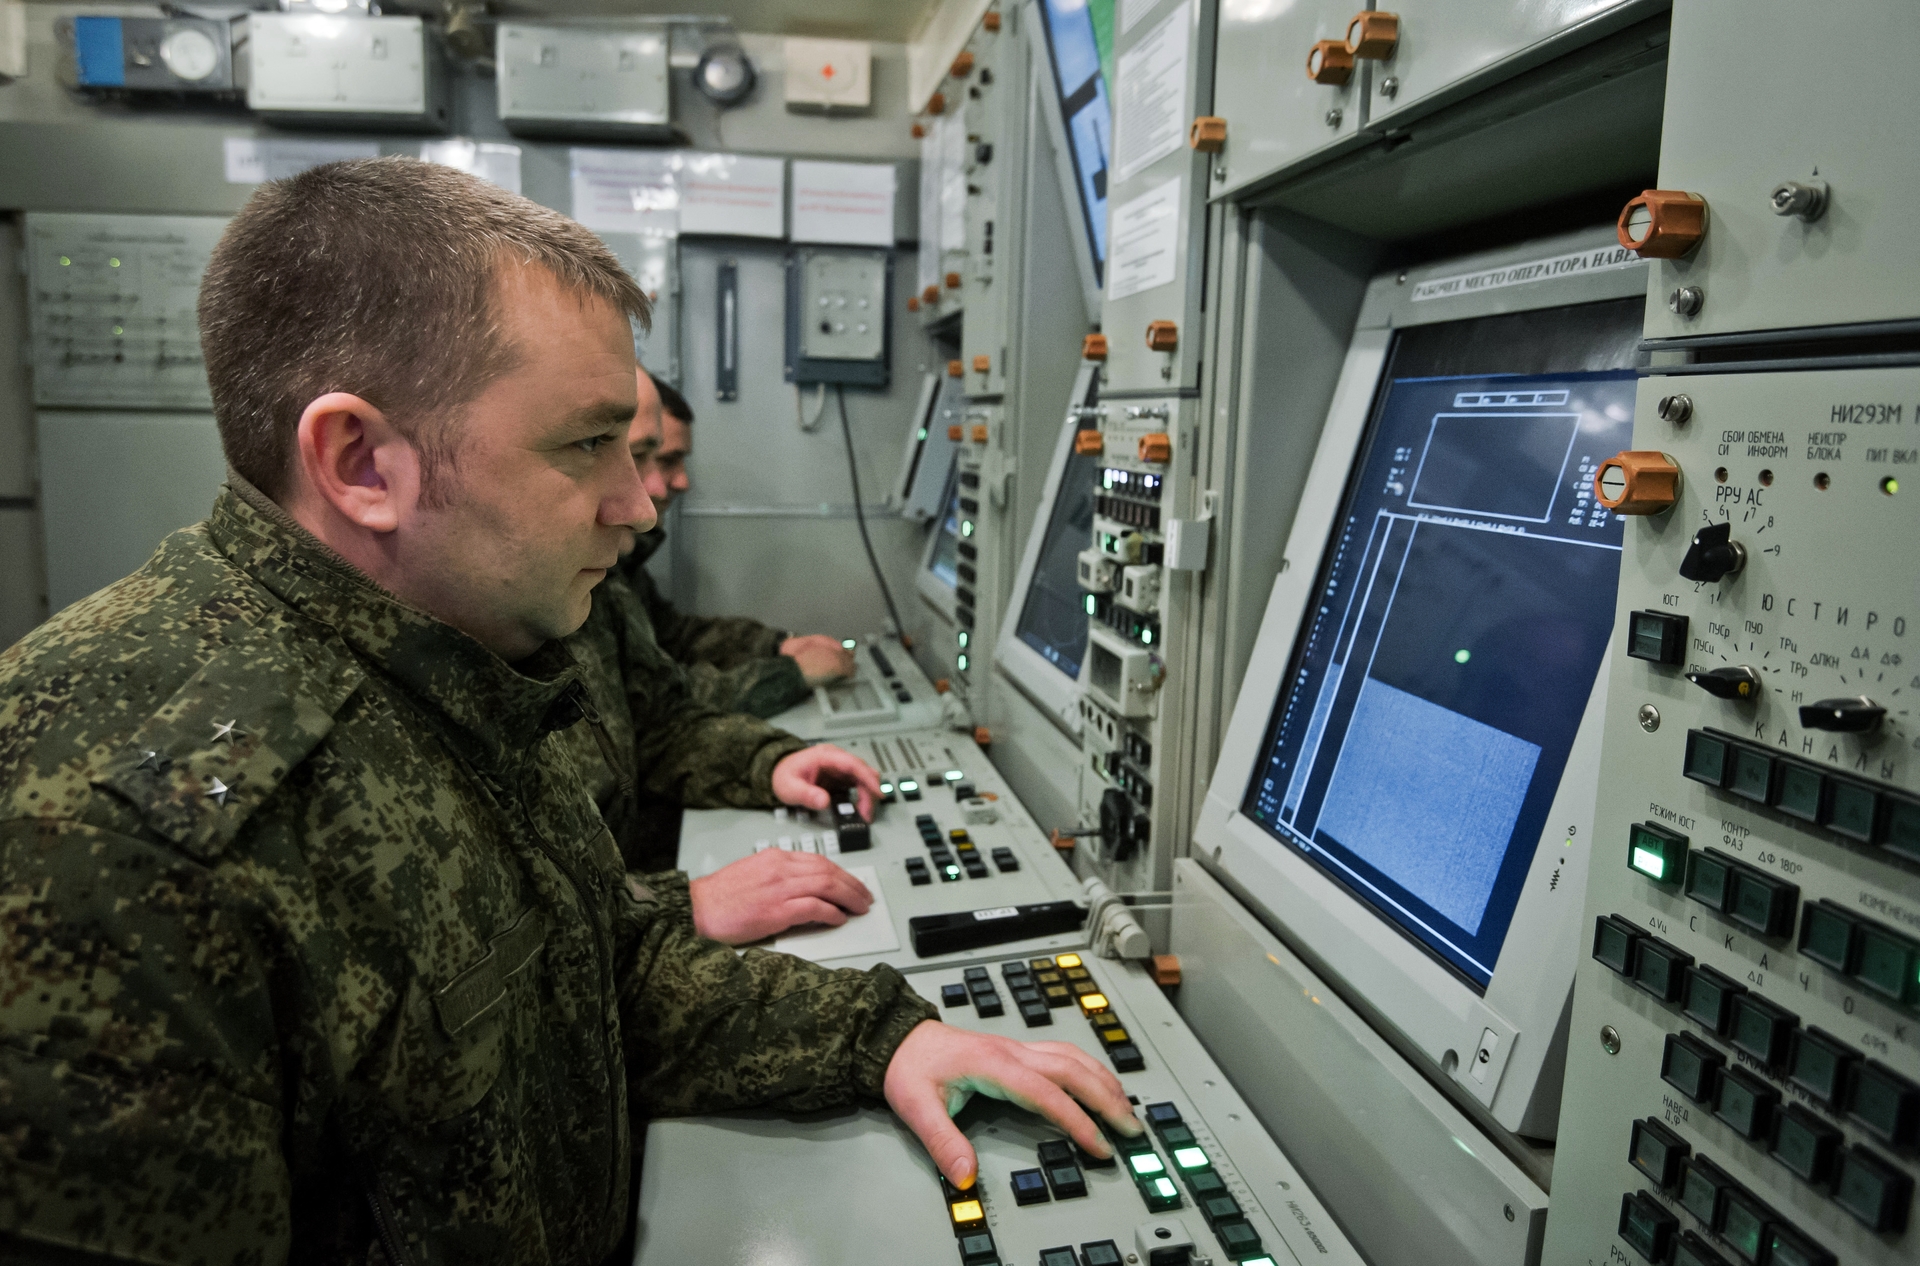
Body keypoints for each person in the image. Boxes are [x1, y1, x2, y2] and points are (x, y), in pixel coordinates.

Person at [0, 157, 1139, 1264]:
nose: (638, 507)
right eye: (590, 444)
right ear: (361, 464)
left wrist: (882, 1039)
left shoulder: (449, 657)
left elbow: (587, 972)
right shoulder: (106, 844)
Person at [562, 365, 879, 935]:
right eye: (600, 449)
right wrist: (685, 905)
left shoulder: (593, 586)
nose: (652, 497)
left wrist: (766, 762)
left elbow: (654, 720)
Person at [621, 373, 859, 717]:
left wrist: (777, 646)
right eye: (666, 459)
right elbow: (652, 707)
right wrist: (791, 675)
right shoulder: (593, 573)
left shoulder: (625, 561)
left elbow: (673, 636)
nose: (682, 481)